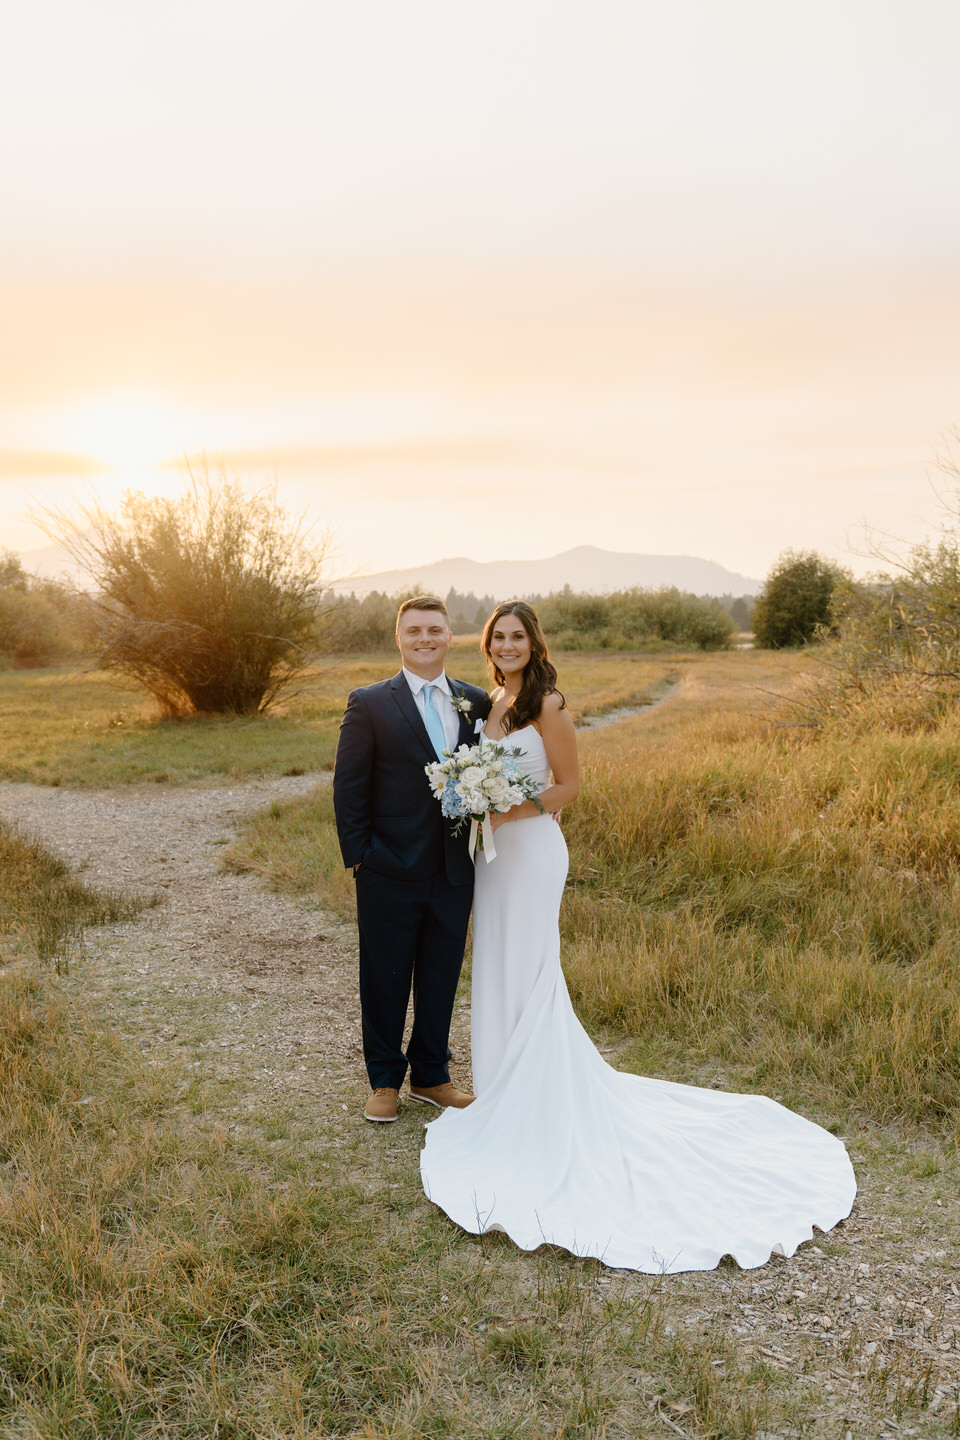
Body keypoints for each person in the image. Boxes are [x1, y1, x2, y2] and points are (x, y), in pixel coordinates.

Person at [420, 601, 857, 1273]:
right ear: (489, 644)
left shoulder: (548, 703)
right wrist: (478, 804)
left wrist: (509, 811)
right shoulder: (494, 703)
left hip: (532, 849)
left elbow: (569, 785)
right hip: (493, 855)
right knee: (498, 966)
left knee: (530, 967)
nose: (508, 645)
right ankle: (503, 1091)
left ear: (534, 643)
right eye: (499, 636)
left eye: (518, 636)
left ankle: (533, 1100)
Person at [333, 596, 491, 1123]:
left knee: (442, 973)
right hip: (388, 868)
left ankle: (431, 1075)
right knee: (385, 975)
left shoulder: (475, 702)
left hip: (454, 867)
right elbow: (349, 787)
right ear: (398, 638)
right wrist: (361, 857)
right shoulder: (370, 702)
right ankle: (383, 1080)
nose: (426, 638)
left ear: (451, 637)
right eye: (415, 630)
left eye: (436, 630)